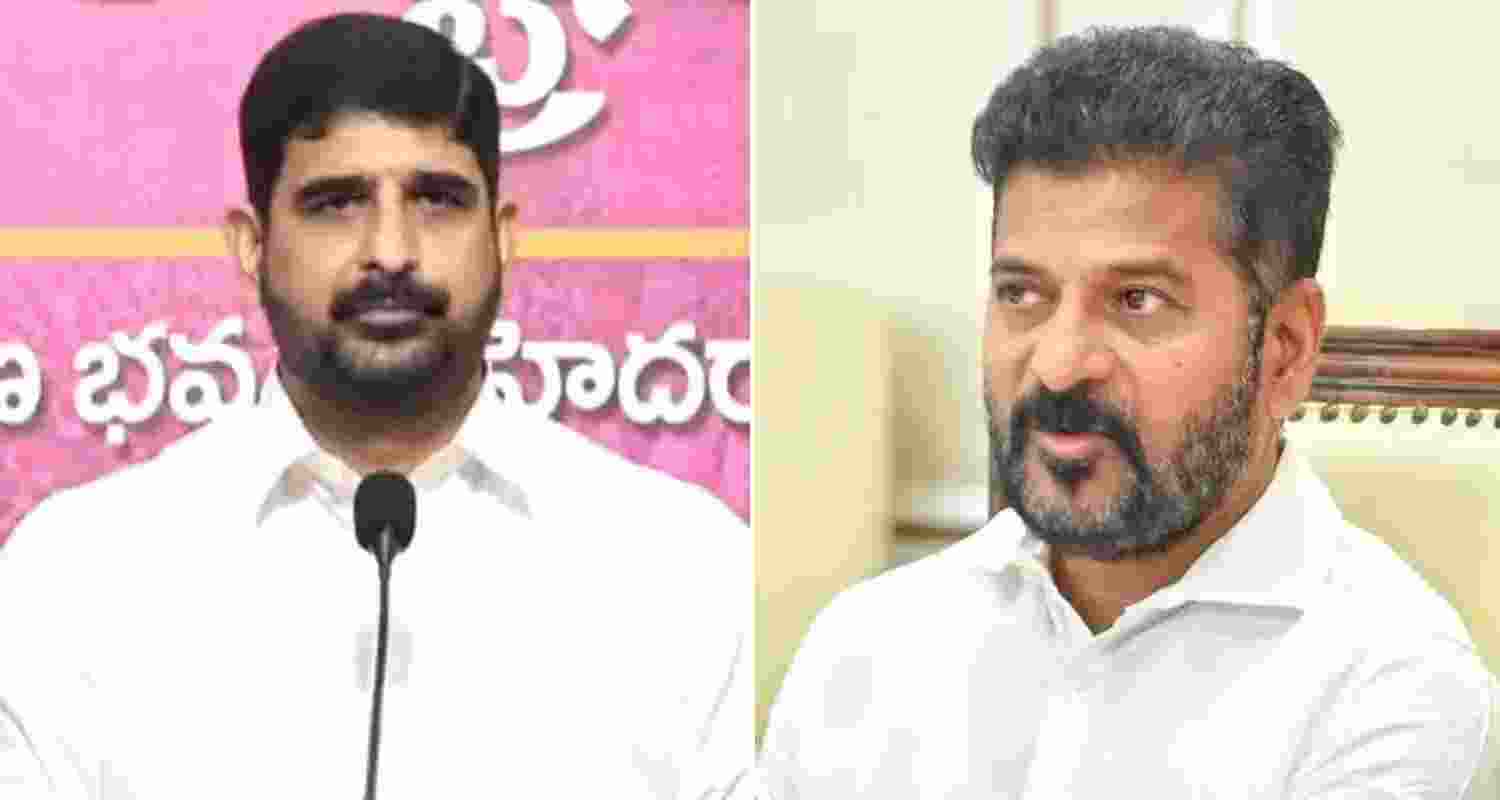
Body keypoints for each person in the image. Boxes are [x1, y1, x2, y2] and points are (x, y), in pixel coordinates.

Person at [0, 13, 749, 799]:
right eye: (335, 203)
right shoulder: (77, 576)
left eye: (437, 200)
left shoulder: (682, 568)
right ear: (252, 244)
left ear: (502, 236)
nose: (390, 252)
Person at [760, 26, 1497, 798]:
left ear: (1284, 348)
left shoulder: (1390, 688)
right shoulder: (867, 647)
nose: (1058, 364)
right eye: (1022, 293)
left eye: (1137, 300)